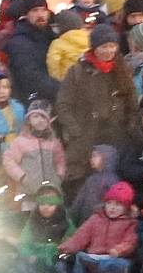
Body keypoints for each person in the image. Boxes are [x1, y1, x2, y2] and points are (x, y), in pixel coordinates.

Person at [55, 25, 134, 188]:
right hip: (84, 139)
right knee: (80, 184)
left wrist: (129, 126)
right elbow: (63, 104)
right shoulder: (77, 71)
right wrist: (76, 131)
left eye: (112, 46)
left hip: (116, 137)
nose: (109, 51)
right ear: (94, 47)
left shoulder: (122, 69)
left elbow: (132, 103)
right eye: (104, 47)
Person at [60, 182, 140, 273]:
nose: (112, 208)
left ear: (126, 207)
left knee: (122, 265)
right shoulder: (95, 219)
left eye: (117, 205)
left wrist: (118, 250)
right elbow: (80, 237)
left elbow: (130, 242)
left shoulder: (130, 223)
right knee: (80, 258)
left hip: (114, 258)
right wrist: (65, 247)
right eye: (109, 203)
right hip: (93, 257)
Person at [1, 106, 66, 208]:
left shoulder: (54, 142)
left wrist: (59, 176)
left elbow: (60, 160)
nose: (40, 120)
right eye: (35, 116)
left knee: (52, 214)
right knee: (30, 215)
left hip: (51, 191)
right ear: (28, 120)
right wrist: (22, 177)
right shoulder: (20, 142)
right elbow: (9, 160)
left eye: (43, 117)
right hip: (29, 192)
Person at [15, 183, 70, 273]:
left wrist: (58, 251)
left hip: (56, 258)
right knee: (22, 267)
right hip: (35, 258)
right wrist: (29, 254)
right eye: (42, 204)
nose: (46, 207)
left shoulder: (65, 222)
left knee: (62, 268)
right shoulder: (32, 222)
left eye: (51, 204)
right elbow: (23, 242)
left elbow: (71, 240)